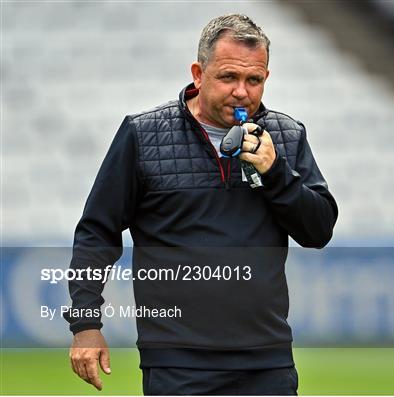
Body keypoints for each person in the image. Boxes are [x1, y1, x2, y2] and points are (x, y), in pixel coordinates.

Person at [65, 14, 338, 395]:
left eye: (253, 80)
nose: (242, 91)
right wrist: (85, 323)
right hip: (178, 363)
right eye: (228, 77)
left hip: (266, 361)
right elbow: (97, 232)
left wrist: (276, 173)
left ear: (265, 78)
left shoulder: (286, 136)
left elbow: (319, 231)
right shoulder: (143, 134)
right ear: (199, 73)